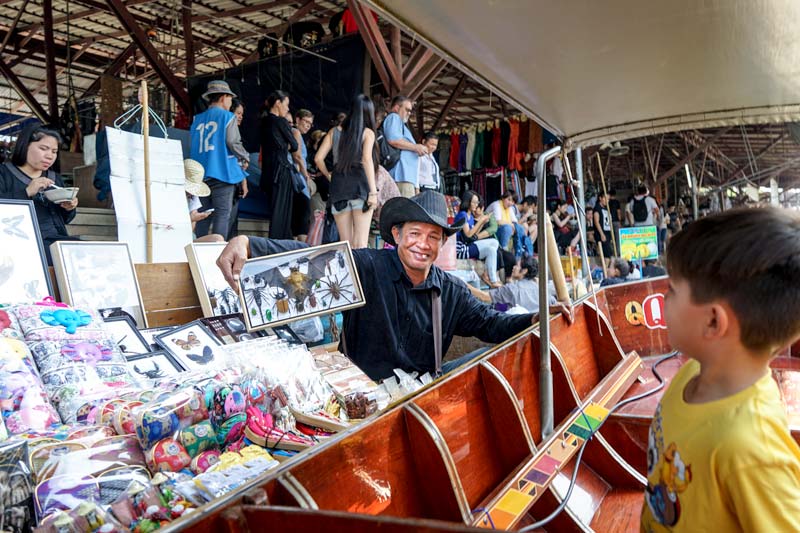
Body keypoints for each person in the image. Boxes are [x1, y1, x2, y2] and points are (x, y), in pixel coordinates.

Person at [216, 190, 572, 381]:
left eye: (433, 236)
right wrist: (250, 243)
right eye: (414, 233)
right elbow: (312, 261)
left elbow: (491, 324)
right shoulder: (368, 266)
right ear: (397, 235)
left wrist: (537, 319)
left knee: (485, 363)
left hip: (418, 396)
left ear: (442, 244)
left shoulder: (448, 291)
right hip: (361, 396)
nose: (423, 244)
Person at [641, 207, 800, 532]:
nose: (663, 296)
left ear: (713, 321)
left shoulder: (752, 449)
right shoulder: (690, 375)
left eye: (672, 289)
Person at [0, 124, 79, 264]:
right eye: (43, 149)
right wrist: (26, 192)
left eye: (54, 151)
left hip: (55, 240)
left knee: (86, 252)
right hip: (20, 243)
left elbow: (65, 220)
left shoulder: (55, 178)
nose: (50, 156)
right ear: (25, 146)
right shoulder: (4, 173)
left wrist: (69, 208)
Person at [314, 95, 378, 249]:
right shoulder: (367, 133)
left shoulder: (334, 131)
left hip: (339, 187)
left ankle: (348, 272)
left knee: (345, 244)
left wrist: (329, 175)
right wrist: (373, 192)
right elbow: (366, 160)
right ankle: (359, 273)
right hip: (360, 187)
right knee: (360, 243)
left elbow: (318, 159)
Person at [190, 80, 249, 239]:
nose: (230, 102)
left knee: (202, 215)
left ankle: (199, 251)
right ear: (224, 97)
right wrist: (245, 156)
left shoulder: (197, 119)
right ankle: (216, 252)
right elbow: (232, 142)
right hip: (222, 173)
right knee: (222, 215)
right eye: (230, 98)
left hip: (200, 175)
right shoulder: (228, 117)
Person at [259, 90, 298, 239]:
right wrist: (283, 146)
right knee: (282, 214)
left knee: (275, 211)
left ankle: (274, 244)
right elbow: (294, 145)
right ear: (278, 103)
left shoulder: (263, 122)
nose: (288, 109)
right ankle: (278, 246)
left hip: (268, 172)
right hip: (281, 170)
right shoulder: (280, 121)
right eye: (286, 104)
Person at [468, 255, 556, 314]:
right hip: (536, 326)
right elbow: (554, 302)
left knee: (490, 309)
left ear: (524, 271)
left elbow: (483, 296)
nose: (514, 267)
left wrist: (464, 285)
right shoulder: (541, 289)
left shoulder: (512, 289)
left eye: (517, 266)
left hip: (518, 329)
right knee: (499, 306)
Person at [455, 190, 502, 288]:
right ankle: (492, 280)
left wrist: (483, 222)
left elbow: (473, 235)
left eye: (477, 202)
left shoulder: (470, 216)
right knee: (494, 243)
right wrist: (481, 221)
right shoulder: (462, 215)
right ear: (468, 202)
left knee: (492, 248)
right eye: (474, 202)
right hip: (461, 249)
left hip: (467, 245)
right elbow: (468, 234)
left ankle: (489, 276)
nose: (476, 205)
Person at [383, 95, 427, 197]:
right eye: (407, 109)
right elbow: (394, 140)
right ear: (397, 108)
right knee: (404, 211)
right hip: (401, 175)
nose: (409, 113)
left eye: (410, 111)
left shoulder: (400, 123)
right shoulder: (394, 117)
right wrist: (416, 147)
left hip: (405, 176)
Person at [288, 109, 315, 242]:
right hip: (299, 179)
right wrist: (306, 175)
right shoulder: (295, 132)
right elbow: (297, 156)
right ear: (297, 119)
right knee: (302, 216)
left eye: (310, 124)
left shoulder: (297, 133)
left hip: (298, 179)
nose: (308, 126)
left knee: (298, 217)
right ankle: (301, 248)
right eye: (306, 122)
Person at [183, 159, 224, 243]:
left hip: (188, 238)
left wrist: (195, 217)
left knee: (218, 239)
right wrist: (190, 219)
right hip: (173, 237)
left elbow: (191, 228)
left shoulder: (192, 196)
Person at [227, 99, 249, 240]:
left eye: (242, 114)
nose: (240, 117)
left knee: (233, 219)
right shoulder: (231, 136)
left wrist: (244, 181)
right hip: (229, 178)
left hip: (236, 179)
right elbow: (237, 159)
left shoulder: (236, 134)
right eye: (238, 113)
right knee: (228, 218)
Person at [593, 192, 613, 260]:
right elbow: (596, 222)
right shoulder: (597, 208)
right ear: (600, 198)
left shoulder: (606, 208)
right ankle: (605, 269)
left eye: (608, 199)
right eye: (605, 198)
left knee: (608, 254)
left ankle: (605, 268)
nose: (607, 200)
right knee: (607, 254)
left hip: (607, 233)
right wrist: (602, 234)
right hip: (601, 233)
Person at [608, 188, 622, 254]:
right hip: (616, 221)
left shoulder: (607, 202)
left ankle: (612, 251)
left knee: (610, 237)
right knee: (617, 237)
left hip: (609, 222)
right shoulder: (617, 202)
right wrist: (620, 221)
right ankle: (618, 251)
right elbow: (618, 212)